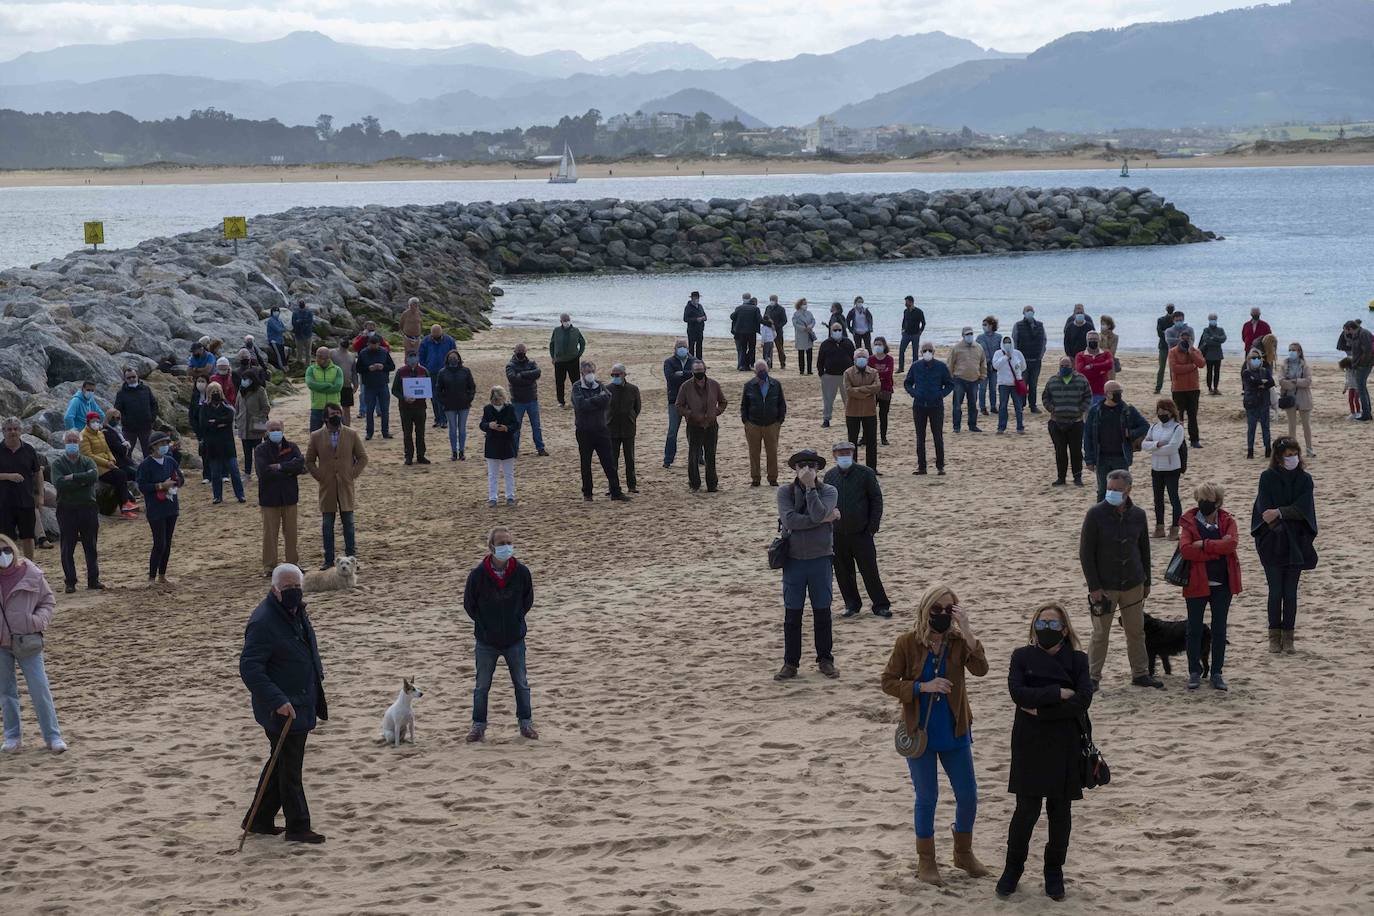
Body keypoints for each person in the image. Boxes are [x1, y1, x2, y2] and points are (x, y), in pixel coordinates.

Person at [881, 586, 989, 887]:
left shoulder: (956, 642)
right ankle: (926, 860)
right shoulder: (907, 643)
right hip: (921, 733)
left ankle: (963, 853)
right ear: (925, 610)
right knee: (927, 797)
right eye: (936, 609)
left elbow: (981, 669)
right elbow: (888, 682)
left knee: (968, 795)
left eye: (948, 609)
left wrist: (967, 630)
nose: (942, 615)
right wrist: (921, 687)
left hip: (955, 730)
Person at [996, 602, 1092, 901]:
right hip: (1029, 743)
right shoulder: (1021, 656)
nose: (1045, 629)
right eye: (1041, 623)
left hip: (1065, 742)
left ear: (1064, 630)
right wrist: (1056, 693)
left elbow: (1083, 700)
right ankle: (1012, 870)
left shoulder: (1078, 660)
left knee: (1060, 812)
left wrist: (1041, 710)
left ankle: (1054, 872)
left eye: (1052, 624)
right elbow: (1017, 693)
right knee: (1026, 811)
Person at [238, 563, 327, 844]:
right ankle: (298, 826)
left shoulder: (297, 611)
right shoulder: (263, 621)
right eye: (288, 588)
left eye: (297, 587)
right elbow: (250, 668)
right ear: (275, 589)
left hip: (302, 699)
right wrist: (278, 700)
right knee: (290, 768)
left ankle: (259, 819)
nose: (293, 592)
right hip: (282, 708)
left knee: (280, 764)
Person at [1079, 468, 1156, 689]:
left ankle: (1140, 673)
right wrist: (1094, 586)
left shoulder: (1139, 515)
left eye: (1117, 489)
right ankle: (1092, 677)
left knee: (1136, 631)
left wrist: (1147, 582)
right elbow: (1086, 553)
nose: (1111, 492)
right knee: (1100, 633)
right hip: (1105, 586)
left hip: (1133, 582)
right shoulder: (1095, 514)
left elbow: (1144, 550)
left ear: (1128, 490)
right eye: (1109, 488)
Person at [462, 527, 537, 742]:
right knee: (482, 686)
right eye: (502, 543)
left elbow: (527, 600)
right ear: (492, 547)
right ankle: (478, 726)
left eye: (509, 542)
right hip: (486, 641)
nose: (506, 547)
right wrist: (486, 625)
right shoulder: (477, 575)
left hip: (514, 639)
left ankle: (526, 723)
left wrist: (515, 620)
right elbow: (470, 605)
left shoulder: (522, 572)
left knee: (521, 684)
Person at [775, 449, 840, 681]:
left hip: (820, 558)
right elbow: (790, 519)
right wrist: (823, 518)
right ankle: (790, 663)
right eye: (802, 465)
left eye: (812, 465)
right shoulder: (785, 492)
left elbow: (817, 512)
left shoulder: (829, 490)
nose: (807, 469)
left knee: (822, 612)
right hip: (793, 561)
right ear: (794, 468)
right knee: (792, 614)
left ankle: (825, 659)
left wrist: (811, 489)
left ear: (818, 468)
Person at [1252, 438, 1317, 655]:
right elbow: (1263, 509)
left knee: (1290, 593)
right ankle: (1274, 636)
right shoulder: (1267, 477)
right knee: (1275, 591)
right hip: (1273, 541)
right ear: (1278, 457)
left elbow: (1303, 508)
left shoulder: (1305, 479)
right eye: (1288, 455)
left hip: (1297, 542)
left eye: (1295, 454)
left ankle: (1288, 637)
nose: (1292, 458)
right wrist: (1278, 517)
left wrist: (1280, 512)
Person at [0, 535, 65, 754]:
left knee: (39, 688)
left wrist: (36, 622)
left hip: (27, 640)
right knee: (6, 692)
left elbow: (47, 601)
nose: (3, 555)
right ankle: (12, 737)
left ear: (13, 549)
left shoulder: (31, 573)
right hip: (1, 644)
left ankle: (53, 736)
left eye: (6, 549)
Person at [1177, 482, 1240, 691]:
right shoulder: (1189, 521)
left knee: (1219, 630)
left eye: (1209, 501)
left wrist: (1203, 545)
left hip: (1222, 584)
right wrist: (1217, 548)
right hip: (1197, 582)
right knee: (1193, 629)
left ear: (1218, 503)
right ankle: (1194, 672)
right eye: (1201, 500)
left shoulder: (1227, 520)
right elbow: (1186, 550)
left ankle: (1217, 672)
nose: (1204, 504)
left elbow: (1231, 544)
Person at [824, 442, 890, 618]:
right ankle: (852, 604)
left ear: (853, 454)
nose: (844, 456)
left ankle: (880, 605)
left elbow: (876, 499)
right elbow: (825, 503)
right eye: (841, 453)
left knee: (869, 570)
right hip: (838, 534)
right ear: (834, 455)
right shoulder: (829, 476)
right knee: (844, 573)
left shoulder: (865, 473)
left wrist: (872, 526)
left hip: (862, 532)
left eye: (847, 452)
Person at [305, 403, 368, 569]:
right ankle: (328, 559)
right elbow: (309, 461)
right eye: (333, 414)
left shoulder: (351, 434)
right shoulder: (316, 436)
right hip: (327, 486)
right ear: (326, 417)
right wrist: (320, 476)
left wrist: (351, 474)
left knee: (349, 524)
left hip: (346, 485)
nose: (336, 416)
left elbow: (362, 458)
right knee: (327, 525)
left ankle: (352, 559)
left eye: (338, 413)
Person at [49, 429, 101, 593]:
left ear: (79, 443)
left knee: (91, 546)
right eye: (69, 441)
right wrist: (82, 480)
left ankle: (93, 580)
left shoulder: (87, 461)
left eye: (75, 441)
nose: (72, 444)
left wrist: (72, 477)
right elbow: (59, 483)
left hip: (88, 508)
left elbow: (93, 476)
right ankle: (70, 581)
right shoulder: (57, 464)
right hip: (67, 509)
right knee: (67, 547)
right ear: (64, 443)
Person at [1082, 381, 1149, 502]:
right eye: (1116, 393)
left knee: (1122, 490)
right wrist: (1089, 459)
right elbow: (1088, 436)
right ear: (1107, 394)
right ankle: (1101, 518)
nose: (1119, 395)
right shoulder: (1095, 411)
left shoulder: (1128, 410)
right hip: (1101, 458)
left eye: (1120, 392)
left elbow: (1145, 426)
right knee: (1102, 491)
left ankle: (1122, 518)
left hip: (1121, 457)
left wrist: (1131, 433)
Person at [571, 360, 628, 502]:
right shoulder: (577, 386)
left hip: (601, 429)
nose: (590, 374)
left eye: (591, 371)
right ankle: (587, 493)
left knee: (609, 462)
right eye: (587, 371)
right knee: (586, 463)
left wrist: (591, 401)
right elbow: (580, 405)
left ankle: (616, 492)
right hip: (584, 430)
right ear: (582, 372)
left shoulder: (600, 385)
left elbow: (607, 398)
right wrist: (597, 400)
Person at [255, 420, 304, 578]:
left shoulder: (292, 446)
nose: (276, 431)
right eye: (272, 429)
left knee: (291, 533)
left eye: (278, 429)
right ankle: (269, 567)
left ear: (283, 429)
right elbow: (263, 472)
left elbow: (300, 465)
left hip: (289, 497)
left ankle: (293, 563)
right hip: (270, 498)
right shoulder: (260, 449)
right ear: (267, 432)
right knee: (270, 534)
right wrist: (288, 470)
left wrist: (279, 466)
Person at [136, 432, 184, 586]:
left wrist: (175, 482)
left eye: (166, 443)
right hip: (155, 508)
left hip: (171, 506)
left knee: (168, 542)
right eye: (161, 444)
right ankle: (151, 577)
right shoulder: (145, 465)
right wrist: (160, 486)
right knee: (159, 543)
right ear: (153, 446)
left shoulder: (170, 461)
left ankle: (162, 575)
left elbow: (180, 478)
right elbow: (142, 486)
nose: (164, 446)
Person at [674, 360, 727, 493]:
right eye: (696, 371)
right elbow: (678, 405)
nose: (699, 373)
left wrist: (715, 412)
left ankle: (712, 484)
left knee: (711, 455)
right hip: (694, 426)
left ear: (705, 370)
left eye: (701, 371)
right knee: (693, 455)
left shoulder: (714, 385)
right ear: (692, 372)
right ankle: (694, 484)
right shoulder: (686, 386)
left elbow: (723, 401)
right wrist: (690, 414)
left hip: (711, 425)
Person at [904, 341, 954, 476]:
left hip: (936, 406)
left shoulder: (941, 366)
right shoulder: (915, 366)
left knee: (937, 436)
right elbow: (907, 383)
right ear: (921, 352)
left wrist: (940, 395)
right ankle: (922, 467)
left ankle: (940, 466)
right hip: (919, 406)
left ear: (934, 352)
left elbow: (950, 384)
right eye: (925, 350)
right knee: (920, 437)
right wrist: (914, 393)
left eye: (930, 350)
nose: (927, 352)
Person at [1042, 357, 1092, 487]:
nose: (1064, 367)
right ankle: (1061, 478)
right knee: (1060, 451)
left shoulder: (1081, 379)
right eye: (1062, 365)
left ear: (1072, 366)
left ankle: (1077, 478)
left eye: (1067, 365)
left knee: (1076, 452)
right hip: (1057, 422)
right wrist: (1052, 409)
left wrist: (1080, 409)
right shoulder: (1052, 380)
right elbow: (1045, 397)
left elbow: (1088, 396)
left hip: (1076, 422)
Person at [1141, 398, 1186, 539]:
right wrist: (1157, 444)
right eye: (1159, 411)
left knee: (1174, 499)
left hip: (1172, 468)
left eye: (1164, 410)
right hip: (1156, 468)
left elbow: (1172, 448)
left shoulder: (1177, 428)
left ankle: (1174, 528)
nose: (1161, 413)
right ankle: (1159, 527)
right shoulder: (1155, 427)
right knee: (1158, 499)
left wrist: (1153, 448)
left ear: (1171, 412)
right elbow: (1144, 444)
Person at [0, 419, 44, 559]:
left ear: (21, 431)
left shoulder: (29, 449)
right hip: (4, 502)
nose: (13, 432)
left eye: (15, 429)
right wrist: (8, 476)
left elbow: (38, 473)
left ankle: (29, 567)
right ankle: (8, 568)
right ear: (3, 432)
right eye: (9, 429)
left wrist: (40, 495)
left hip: (26, 500)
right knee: (6, 539)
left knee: (28, 537)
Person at [81, 412, 139, 517]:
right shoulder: (84, 435)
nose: (96, 423)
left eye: (97, 421)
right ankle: (125, 505)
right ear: (88, 422)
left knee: (121, 475)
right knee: (120, 475)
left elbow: (107, 450)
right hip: (95, 466)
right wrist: (107, 463)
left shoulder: (99, 433)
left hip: (107, 464)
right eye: (93, 421)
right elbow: (88, 455)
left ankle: (125, 506)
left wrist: (112, 460)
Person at [741, 360, 787, 487]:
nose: (762, 373)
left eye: (764, 370)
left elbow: (781, 403)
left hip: (772, 424)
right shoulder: (749, 385)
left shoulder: (776, 384)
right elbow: (744, 405)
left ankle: (772, 478)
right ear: (755, 372)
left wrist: (779, 420)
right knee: (754, 452)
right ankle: (755, 478)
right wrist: (746, 421)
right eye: (760, 371)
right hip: (753, 424)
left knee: (772, 452)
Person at [201, 382, 245, 505]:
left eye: (217, 391)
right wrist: (219, 423)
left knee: (234, 471)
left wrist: (214, 422)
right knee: (215, 473)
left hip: (227, 445)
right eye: (213, 391)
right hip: (213, 446)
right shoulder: (204, 408)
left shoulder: (226, 406)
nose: (215, 393)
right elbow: (204, 424)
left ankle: (240, 495)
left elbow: (229, 418)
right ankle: (217, 496)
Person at [505, 343, 549, 458]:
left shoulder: (531, 363)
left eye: (522, 351)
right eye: (519, 351)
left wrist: (522, 375)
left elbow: (538, 373)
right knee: (516, 428)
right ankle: (514, 450)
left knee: (536, 426)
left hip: (532, 399)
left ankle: (540, 448)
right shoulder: (510, 365)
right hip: (517, 401)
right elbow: (513, 379)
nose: (520, 353)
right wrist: (529, 378)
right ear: (515, 352)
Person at [843, 349, 882, 470]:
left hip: (869, 411)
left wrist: (859, 389)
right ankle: (852, 468)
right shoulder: (848, 373)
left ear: (867, 359)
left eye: (863, 357)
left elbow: (877, 387)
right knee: (852, 441)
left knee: (871, 441)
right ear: (854, 359)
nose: (861, 359)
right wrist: (866, 392)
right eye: (858, 357)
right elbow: (849, 390)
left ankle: (872, 469)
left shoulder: (874, 372)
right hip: (852, 412)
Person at [234, 353, 271, 478]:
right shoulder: (241, 390)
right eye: (243, 379)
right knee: (246, 451)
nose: (244, 381)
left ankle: (260, 471)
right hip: (243, 424)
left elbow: (266, 407)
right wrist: (238, 419)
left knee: (258, 450)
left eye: (246, 379)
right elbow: (237, 406)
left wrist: (259, 419)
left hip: (257, 424)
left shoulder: (260, 390)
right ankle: (247, 472)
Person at [479, 387, 518, 507]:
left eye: (499, 399)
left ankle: (510, 496)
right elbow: (482, 424)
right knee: (492, 474)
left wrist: (507, 428)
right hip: (492, 444)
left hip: (507, 443)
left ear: (503, 398)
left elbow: (516, 424)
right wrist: (489, 425)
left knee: (508, 473)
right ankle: (492, 497)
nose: (497, 401)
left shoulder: (510, 408)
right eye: (495, 400)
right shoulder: (487, 409)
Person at [436, 350, 477, 461]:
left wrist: (469, 398)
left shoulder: (465, 371)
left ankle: (462, 451)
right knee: (452, 429)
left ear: (459, 359)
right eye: (451, 357)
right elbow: (438, 389)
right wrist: (443, 401)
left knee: (462, 429)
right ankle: (454, 451)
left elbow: (472, 386)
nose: (453, 359)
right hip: (449, 405)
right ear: (447, 359)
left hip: (464, 404)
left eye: (455, 357)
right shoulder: (442, 372)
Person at [391, 352, 431, 466]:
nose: (413, 360)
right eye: (410, 357)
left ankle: (421, 456)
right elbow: (394, 390)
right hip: (405, 408)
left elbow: (428, 387)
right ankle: (408, 456)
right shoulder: (401, 371)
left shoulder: (424, 371)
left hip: (420, 407)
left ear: (418, 358)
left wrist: (425, 393)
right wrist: (404, 398)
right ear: (406, 359)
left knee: (420, 432)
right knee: (407, 433)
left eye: (415, 357)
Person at [1168, 330, 1206, 448]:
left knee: (1192, 416)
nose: (1185, 340)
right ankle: (1178, 440)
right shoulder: (1173, 352)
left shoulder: (1195, 351)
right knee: (1178, 416)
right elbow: (1175, 368)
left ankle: (1194, 440)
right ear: (1179, 338)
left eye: (1188, 338)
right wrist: (1191, 366)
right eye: (1183, 338)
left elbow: (1201, 364)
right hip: (1178, 389)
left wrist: (1191, 353)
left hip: (1193, 388)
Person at [607, 363, 641, 494]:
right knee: (612, 460)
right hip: (612, 429)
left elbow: (637, 408)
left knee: (630, 459)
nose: (615, 377)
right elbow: (604, 407)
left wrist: (631, 417)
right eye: (613, 375)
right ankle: (613, 487)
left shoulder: (633, 389)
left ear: (624, 374)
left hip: (628, 428)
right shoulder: (607, 389)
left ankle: (632, 486)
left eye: (617, 374)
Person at [113, 367, 159, 458]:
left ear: (137, 376)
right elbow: (117, 410)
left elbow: (154, 404)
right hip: (129, 429)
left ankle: (148, 471)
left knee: (149, 452)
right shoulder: (121, 393)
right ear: (125, 379)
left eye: (133, 377)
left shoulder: (146, 389)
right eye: (129, 378)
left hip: (146, 427)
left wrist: (152, 418)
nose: (132, 379)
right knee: (126, 452)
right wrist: (125, 422)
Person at [1279, 342, 1315, 457]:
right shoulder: (1284, 365)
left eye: (1294, 350)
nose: (1291, 352)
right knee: (1292, 426)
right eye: (1290, 350)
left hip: (1304, 398)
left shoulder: (1305, 365)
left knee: (1306, 425)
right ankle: (1292, 451)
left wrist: (1295, 381)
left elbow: (1308, 381)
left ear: (1299, 352)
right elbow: (1281, 381)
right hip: (1289, 398)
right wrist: (1294, 383)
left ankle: (1309, 449)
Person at [662, 339, 694, 468]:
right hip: (674, 400)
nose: (682, 349)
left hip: (691, 400)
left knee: (693, 430)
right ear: (675, 349)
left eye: (684, 347)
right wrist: (687, 376)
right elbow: (670, 377)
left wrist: (682, 374)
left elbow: (698, 375)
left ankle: (698, 456)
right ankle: (668, 459)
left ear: (687, 348)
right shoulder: (669, 362)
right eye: (679, 347)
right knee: (672, 431)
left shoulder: (694, 361)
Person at [356, 335, 395, 440]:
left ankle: (385, 432)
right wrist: (368, 368)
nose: (374, 347)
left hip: (382, 384)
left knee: (384, 410)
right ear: (368, 344)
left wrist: (383, 367)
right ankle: (369, 432)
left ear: (379, 344)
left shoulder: (384, 352)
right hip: (369, 385)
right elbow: (358, 368)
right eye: (371, 345)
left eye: (376, 345)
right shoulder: (363, 353)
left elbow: (392, 366)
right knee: (369, 410)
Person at [948, 326, 986, 433]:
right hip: (959, 379)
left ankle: (972, 425)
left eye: (971, 334)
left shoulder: (978, 347)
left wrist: (983, 375)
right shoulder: (956, 348)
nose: (969, 336)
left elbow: (983, 362)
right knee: (957, 405)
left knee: (973, 405)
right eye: (967, 334)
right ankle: (956, 426)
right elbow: (950, 363)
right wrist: (949, 378)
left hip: (974, 380)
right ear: (963, 335)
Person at [817, 323, 856, 428]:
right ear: (831, 331)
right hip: (829, 376)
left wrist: (853, 373)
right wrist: (821, 374)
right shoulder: (825, 344)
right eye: (835, 330)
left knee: (848, 398)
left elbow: (854, 358)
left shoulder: (848, 342)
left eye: (839, 329)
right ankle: (826, 419)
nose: (837, 331)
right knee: (828, 399)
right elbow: (820, 360)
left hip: (846, 376)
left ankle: (850, 418)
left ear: (842, 330)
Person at [417, 324, 457, 426]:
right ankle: (437, 419)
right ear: (431, 333)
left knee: (445, 396)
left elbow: (454, 355)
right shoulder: (425, 341)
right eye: (434, 335)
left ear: (441, 332)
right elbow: (421, 357)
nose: (436, 337)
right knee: (434, 397)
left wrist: (452, 368)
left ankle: (444, 420)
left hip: (446, 372)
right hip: (431, 373)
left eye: (438, 335)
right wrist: (426, 368)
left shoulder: (449, 340)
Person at [1242, 349, 1275, 459]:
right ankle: (1250, 450)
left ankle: (1268, 449)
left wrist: (1262, 384)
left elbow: (1271, 382)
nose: (1256, 360)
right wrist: (1262, 382)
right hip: (1251, 403)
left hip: (1264, 403)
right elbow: (1251, 383)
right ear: (1248, 359)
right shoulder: (1246, 372)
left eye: (1258, 358)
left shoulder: (1265, 371)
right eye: (1253, 358)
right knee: (1251, 428)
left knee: (1266, 427)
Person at [1012, 305, 1046, 413]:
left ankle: (1033, 405)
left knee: (1033, 384)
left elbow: (1044, 341)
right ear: (1023, 313)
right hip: (1023, 360)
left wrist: (1040, 355)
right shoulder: (1018, 325)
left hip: (1036, 360)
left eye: (1031, 311)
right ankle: (1021, 405)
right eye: (1027, 311)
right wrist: (1017, 358)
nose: (1029, 313)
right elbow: (1014, 342)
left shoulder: (1040, 325)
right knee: (1022, 383)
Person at [1336, 319, 1372, 421]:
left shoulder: (1363, 334)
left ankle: (1366, 414)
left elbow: (1367, 351)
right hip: (1360, 364)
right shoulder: (1358, 334)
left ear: (1350, 328)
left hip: (1364, 365)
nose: (1345, 333)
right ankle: (1367, 413)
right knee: (1362, 388)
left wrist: (1359, 363)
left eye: (1346, 330)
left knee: (1361, 389)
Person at [548, 314, 587, 407]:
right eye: (564, 320)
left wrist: (579, 354)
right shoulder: (556, 331)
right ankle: (561, 401)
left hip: (573, 360)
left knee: (575, 381)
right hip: (559, 361)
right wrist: (553, 357)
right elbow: (552, 344)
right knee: (560, 382)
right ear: (561, 321)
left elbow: (582, 343)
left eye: (568, 320)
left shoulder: (576, 331)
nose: (566, 322)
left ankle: (576, 400)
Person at [992, 335, 1028, 434]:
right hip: (1003, 384)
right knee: (1003, 406)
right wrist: (1005, 357)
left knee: (1018, 406)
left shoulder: (1017, 353)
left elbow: (1023, 366)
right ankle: (1001, 427)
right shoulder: (998, 353)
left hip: (1016, 384)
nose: (1007, 344)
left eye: (1009, 342)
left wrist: (1018, 375)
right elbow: (995, 366)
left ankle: (1020, 427)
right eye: (1005, 342)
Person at [304, 346, 344, 433]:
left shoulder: (337, 370)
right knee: (314, 434)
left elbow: (337, 387)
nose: (321, 359)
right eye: (319, 357)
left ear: (329, 357)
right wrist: (328, 385)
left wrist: (319, 387)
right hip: (317, 407)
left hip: (334, 407)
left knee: (338, 433)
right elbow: (311, 385)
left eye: (324, 357)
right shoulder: (310, 369)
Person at [1073, 331, 1113, 405]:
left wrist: (1092, 366)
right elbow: (1081, 371)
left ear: (1099, 340)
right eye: (1090, 339)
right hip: (1085, 392)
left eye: (1095, 339)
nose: (1092, 341)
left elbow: (1109, 365)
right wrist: (1100, 371)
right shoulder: (1080, 355)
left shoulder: (1106, 353)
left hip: (1101, 391)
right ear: (1087, 341)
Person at [870, 336, 896, 446]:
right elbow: (869, 373)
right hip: (872, 390)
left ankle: (883, 437)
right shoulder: (870, 359)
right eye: (876, 344)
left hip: (886, 389)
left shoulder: (889, 359)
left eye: (880, 344)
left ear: (884, 346)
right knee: (870, 415)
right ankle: (867, 437)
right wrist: (880, 374)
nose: (878, 346)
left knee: (883, 415)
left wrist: (877, 374)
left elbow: (888, 373)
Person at [975, 316, 1001, 417]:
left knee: (993, 388)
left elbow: (1001, 351)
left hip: (994, 366)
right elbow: (976, 352)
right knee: (982, 388)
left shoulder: (999, 337)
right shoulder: (979, 338)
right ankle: (982, 407)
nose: (984, 327)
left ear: (991, 325)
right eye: (983, 325)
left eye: (985, 325)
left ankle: (993, 407)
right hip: (983, 366)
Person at [329, 338, 357, 427]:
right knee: (332, 407)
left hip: (347, 384)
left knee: (346, 408)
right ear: (339, 343)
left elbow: (354, 371)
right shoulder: (332, 353)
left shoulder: (352, 355)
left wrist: (356, 383)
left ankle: (347, 427)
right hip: (333, 385)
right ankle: (333, 426)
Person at [729, 296, 762, 371]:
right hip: (752, 332)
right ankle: (750, 364)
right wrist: (768, 324)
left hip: (741, 332)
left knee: (743, 349)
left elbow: (732, 317)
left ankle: (742, 365)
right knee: (751, 349)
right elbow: (759, 319)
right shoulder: (756, 309)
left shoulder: (739, 308)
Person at [1198, 314, 1227, 395]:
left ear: (1216, 319)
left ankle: (1216, 388)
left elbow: (1224, 339)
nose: (1213, 320)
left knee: (1217, 372)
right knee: (1209, 372)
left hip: (1218, 355)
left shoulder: (1220, 329)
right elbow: (1207, 340)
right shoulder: (1206, 330)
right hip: (1209, 355)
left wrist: (1214, 337)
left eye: (1214, 319)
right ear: (1209, 320)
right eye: (1211, 319)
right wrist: (1217, 340)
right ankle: (1210, 388)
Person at [898, 295, 926, 373]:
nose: (905, 304)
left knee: (915, 353)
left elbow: (923, 323)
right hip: (906, 334)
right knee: (901, 351)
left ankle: (915, 369)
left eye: (906, 302)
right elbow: (904, 321)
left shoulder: (919, 311)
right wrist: (902, 330)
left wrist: (920, 332)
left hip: (915, 335)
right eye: (905, 302)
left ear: (911, 302)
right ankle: (901, 368)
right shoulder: (905, 311)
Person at [792, 298, 816, 375]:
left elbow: (813, 320)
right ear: (800, 305)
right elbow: (795, 324)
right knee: (801, 353)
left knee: (809, 353)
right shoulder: (796, 314)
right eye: (803, 304)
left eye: (806, 304)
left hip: (809, 334)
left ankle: (809, 370)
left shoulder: (809, 313)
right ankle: (801, 370)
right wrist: (803, 328)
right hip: (801, 335)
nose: (805, 305)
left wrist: (810, 326)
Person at [764, 295, 789, 370]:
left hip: (778, 331)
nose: (772, 300)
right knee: (768, 348)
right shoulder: (768, 308)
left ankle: (782, 363)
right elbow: (764, 317)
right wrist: (768, 323)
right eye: (771, 299)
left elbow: (784, 320)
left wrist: (776, 326)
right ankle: (769, 364)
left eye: (773, 299)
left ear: (776, 300)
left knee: (780, 348)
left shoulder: (781, 309)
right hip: (769, 331)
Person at [683, 291, 707, 360]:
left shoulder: (700, 306)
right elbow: (685, 319)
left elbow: (705, 316)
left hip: (700, 330)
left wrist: (703, 318)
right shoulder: (688, 307)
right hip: (692, 330)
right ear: (692, 298)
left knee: (699, 346)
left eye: (698, 297)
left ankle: (699, 361)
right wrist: (696, 319)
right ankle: (691, 361)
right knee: (691, 346)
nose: (697, 299)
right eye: (696, 297)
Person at [290, 299, 315, 365]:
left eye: (302, 304)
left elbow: (310, 322)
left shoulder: (309, 312)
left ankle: (308, 364)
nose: (301, 305)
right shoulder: (295, 313)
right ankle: (299, 364)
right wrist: (302, 322)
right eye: (300, 304)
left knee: (308, 352)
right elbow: (294, 323)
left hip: (308, 335)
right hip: (298, 335)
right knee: (299, 352)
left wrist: (300, 321)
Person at [1097, 316, 1120, 380]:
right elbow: (1096, 350)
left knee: (1110, 382)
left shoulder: (1115, 337)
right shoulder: (1097, 336)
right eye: (1101, 324)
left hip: (1109, 362)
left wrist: (1105, 340)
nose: (1102, 326)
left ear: (1109, 326)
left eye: (1104, 324)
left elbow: (1112, 353)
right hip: (1099, 362)